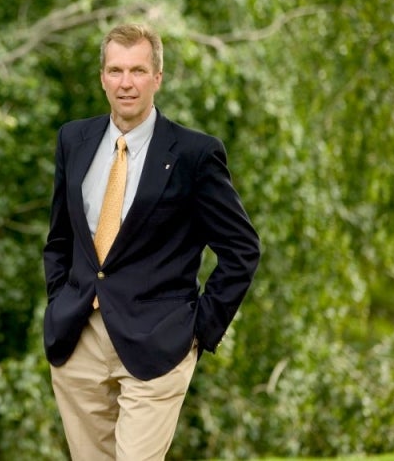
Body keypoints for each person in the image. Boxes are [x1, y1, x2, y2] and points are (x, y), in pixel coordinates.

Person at [42, 23, 261, 460]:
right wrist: (60, 299)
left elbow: (242, 250)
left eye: (138, 71)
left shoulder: (194, 155)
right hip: (79, 339)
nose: (127, 83)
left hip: (159, 342)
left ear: (157, 77)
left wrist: (197, 330)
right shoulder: (73, 140)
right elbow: (60, 238)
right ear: (102, 76)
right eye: (116, 70)